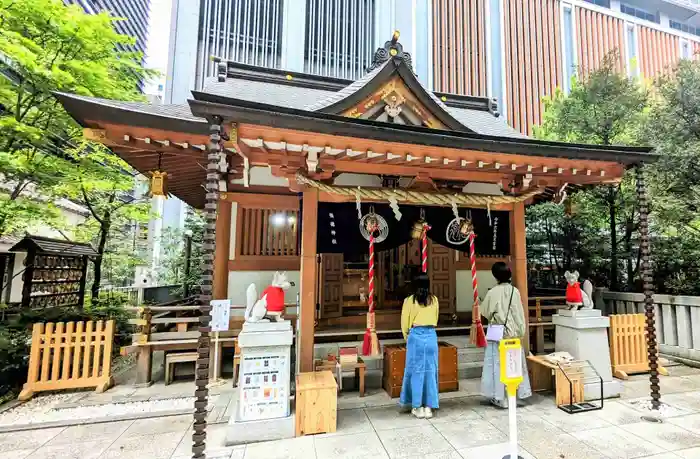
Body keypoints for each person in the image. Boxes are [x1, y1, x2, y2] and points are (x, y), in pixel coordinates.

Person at [480, 261, 532, 408]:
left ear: (495, 276)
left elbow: (486, 312)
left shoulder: (492, 292)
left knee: (497, 364)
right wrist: (521, 331)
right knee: (514, 363)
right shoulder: (515, 291)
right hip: (513, 333)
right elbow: (519, 314)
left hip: (498, 333)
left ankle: (499, 396)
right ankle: (515, 395)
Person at [399, 274, 440, 419]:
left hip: (416, 336)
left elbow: (405, 323)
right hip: (431, 337)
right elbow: (436, 318)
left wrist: (407, 337)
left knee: (415, 370)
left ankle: (417, 406)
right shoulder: (434, 300)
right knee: (430, 371)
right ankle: (429, 406)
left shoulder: (409, 301)